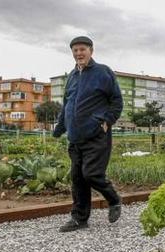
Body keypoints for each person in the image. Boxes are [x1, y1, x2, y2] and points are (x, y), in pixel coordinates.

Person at [52, 36, 123, 232]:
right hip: (75, 137)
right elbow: (67, 104)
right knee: (78, 179)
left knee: (91, 174)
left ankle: (114, 199)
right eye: (75, 50)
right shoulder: (72, 76)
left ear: (91, 51)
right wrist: (60, 127)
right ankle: (79, 219)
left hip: (96, 134)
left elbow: (116, 101)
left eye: (82, 49)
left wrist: (107, 121)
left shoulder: (103, 72)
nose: (78, 53)